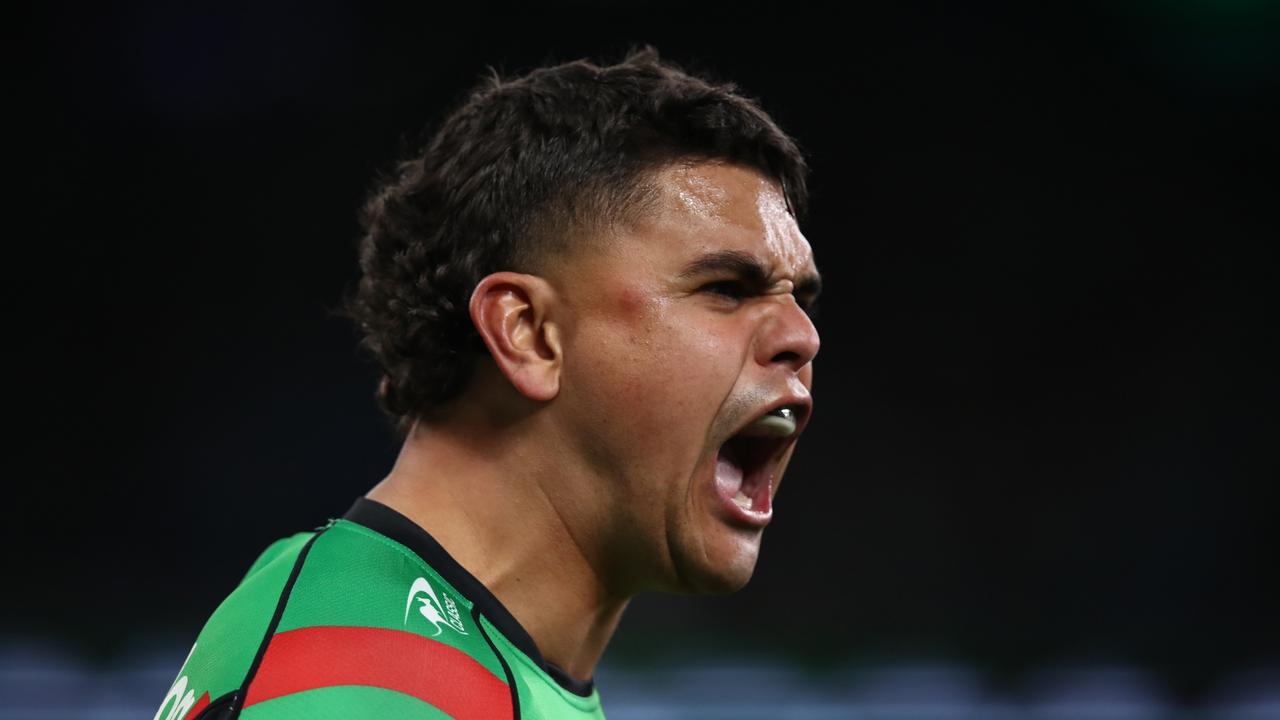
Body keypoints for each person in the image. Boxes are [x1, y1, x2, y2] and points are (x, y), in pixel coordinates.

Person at [153, 47, 821, 720]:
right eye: (727, 289)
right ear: (528, 333)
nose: (802, 336)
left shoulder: (457, 660)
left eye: (802, 299)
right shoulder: (367, 685)